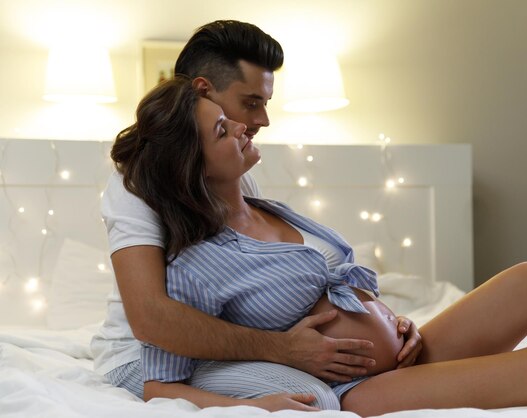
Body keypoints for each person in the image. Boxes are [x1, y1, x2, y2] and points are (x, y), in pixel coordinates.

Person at [110, 75, 527, 416]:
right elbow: (160, 386)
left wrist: (388, 317)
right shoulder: (194, 263)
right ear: (193, 166)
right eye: (223, 129)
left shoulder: (265, 208)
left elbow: (338, 286)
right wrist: (262, 403)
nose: (245, 126)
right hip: (357, 389)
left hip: (402, 354)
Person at [91, 20, 420, 411]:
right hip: (147, 361)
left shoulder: (233, 175)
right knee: (314, 399)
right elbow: (151, 319)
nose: (261, 120)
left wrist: (380, 316)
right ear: (202, 90)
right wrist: (283, 349)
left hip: (227, 352)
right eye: (251, 103)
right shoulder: (138, 185)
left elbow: (258, 282)